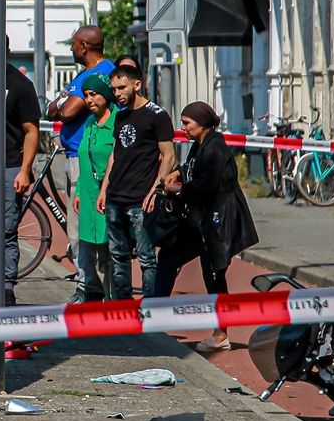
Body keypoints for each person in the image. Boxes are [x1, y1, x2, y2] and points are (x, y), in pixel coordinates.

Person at [162, 102, 259, 352]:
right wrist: (179, 173)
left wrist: (179, 188)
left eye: (186, 123)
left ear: (202, 123)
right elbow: (193, 169)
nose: (182, 128)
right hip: (201, 220)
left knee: (214, 274)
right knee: (169, 257)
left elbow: (206, 185)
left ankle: (221, 334)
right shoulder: (200, 144)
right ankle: (154, 317)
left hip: (218, 221)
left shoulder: (215, 148)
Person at [97, 64, 176, 299]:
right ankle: (123, 310)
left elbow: (169, 156)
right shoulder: (120, 115)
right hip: (115, 198)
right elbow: (115, 154)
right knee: (118, 256)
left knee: (146, 258)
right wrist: (104, 189)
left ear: (137, 85)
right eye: (114, 89)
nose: (117, 93)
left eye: (122, 87)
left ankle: (150, 311)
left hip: (140, 200)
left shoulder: (157, 115)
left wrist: (155, 191)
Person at [45, 26, 114, 276]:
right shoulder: (83, 75)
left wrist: (60, 104)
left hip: (86, 159)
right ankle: (89, 281)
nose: (72, 49)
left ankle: (90, 285)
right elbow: (51, 109)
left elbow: (67, 110)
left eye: (73, 44)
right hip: (74, 155)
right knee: (77, 225)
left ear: (84, 46)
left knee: (80, 227)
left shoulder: (101, 73)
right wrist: (59, 105)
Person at [70, 72, 118, 303]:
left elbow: (118, 158)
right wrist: (79, 191)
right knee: (90, 246)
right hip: (89, 194)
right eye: (86, 95)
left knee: (110, 248)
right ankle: (94, 292)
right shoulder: (89, 122)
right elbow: (84, 159)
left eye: (94, 94)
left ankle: (113, 298)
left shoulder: (117, 121)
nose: (89, 100)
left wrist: (106, 190)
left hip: (109, 194)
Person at [4, 36, 41, 306]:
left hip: (9, 166)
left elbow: (31, 131)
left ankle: (5, 288)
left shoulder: (19, 84)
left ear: (6, 50)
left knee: (6, 231)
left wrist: (25, 170)